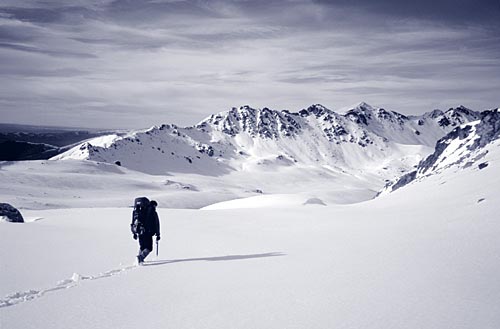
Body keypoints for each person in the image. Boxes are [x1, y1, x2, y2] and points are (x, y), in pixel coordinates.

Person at [134, 200, 161, 264]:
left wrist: (134, 232)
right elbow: (157, 224)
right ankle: (140, 258)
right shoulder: (153, 212)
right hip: (148, 232)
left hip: (140, 232)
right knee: (149, 248)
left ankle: (139, 259)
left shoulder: (141, 211)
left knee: (142, 246)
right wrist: (158, 234)